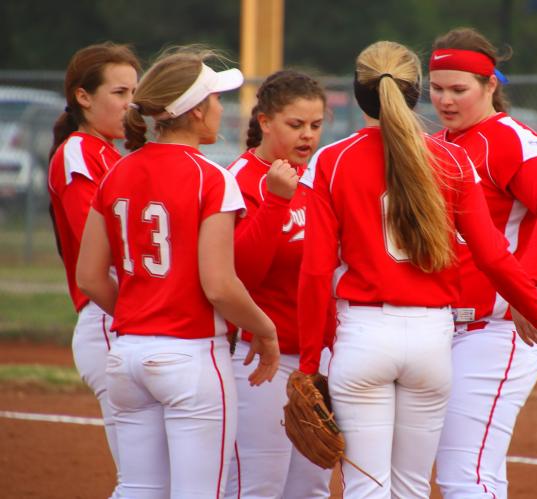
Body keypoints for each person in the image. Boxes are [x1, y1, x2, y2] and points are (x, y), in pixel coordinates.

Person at [295, 40, 537, 498]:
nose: (445, 99)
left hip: (366, 333)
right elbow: (493, 255)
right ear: (416, 91)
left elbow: (314, 272)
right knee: (412, 487)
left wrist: (309, 362)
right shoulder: (449, 156)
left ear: (362, 94)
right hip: (433, 340)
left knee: (368, 486)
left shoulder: (333, 158)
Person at [75, 47, 280, 498]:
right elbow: (220, 286)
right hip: (190, 355)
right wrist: (265, 331)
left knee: (137, 489)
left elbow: (89, 277)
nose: (221, 109)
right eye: (215, 100)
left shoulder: (117, 172)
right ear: (193, 111)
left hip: (126, 356)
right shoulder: (211, 177)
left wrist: (136, 311)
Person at [428, 27, 537, 499]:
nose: (446, 100)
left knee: (463, 477)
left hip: (497, 332)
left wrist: (524, 291)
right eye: (436, 88)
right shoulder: (438, 144)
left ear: (491, 84)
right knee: (479, 474)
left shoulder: (508, 139)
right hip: (443, 330)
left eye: (460, 89)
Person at [224, 69, 333, 499]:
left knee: (311, 489)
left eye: (316, 125)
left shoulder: (318, 177)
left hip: (315, 357)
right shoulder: (240, 179)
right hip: (261, 361)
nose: (307, 136)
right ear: (265, 121)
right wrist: (276, 201)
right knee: (258, 487)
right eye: (295, 124)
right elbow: (239, 275)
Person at [47, 42, 140, 498]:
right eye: (120, 92)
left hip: (128, 317)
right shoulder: (80, 152)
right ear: (83, 97)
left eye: (134, 93)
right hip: (111, 317)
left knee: (152, 477)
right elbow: (97, 254)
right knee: (142, 481)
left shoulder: (112, 154)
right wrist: (141, 317)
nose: (131, 105)